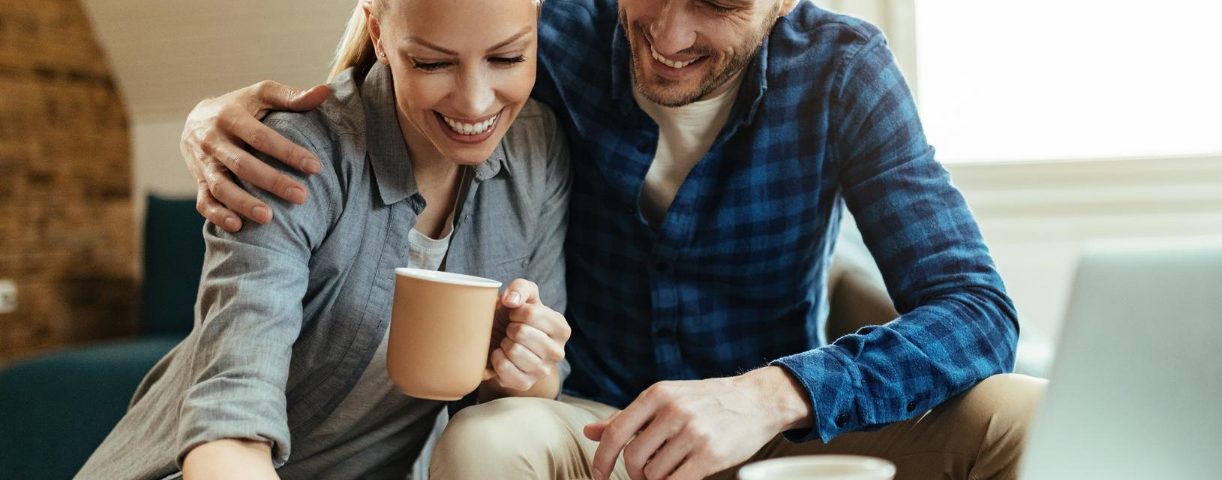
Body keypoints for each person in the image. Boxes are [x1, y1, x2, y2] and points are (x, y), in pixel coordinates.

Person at [182, 0, 1048, 478]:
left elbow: (977, 310)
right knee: (484, 446)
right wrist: (208, 114)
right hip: (598, 431)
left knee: (1026, 413)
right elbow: (407, 62)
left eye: (717, 3)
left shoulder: (845, 70)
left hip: (784, 431)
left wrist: (771, 394)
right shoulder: (544, 39)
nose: (668, 37)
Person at [78, 0, 574, 478]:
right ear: (378, 35)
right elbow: (229, 431)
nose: (475, 100)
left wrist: (526, 363)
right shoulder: (294, 157)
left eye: (507, 57)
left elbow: (529, 397)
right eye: (431, 63)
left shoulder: (537, 150)